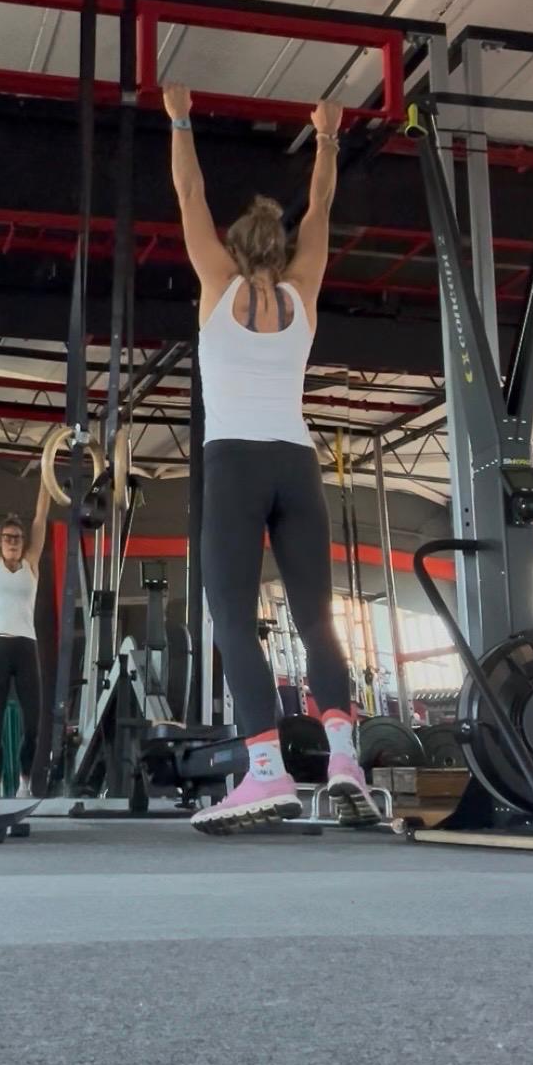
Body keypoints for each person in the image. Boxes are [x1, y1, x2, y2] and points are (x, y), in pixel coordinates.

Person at [163, 81, 379, 834]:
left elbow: (188, 190)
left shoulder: (216, 286)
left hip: (236, 465)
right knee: (316, 619)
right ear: (281, 250)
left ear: (230, 246)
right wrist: (327, 134)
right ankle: (345, 759)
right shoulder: (303, 289)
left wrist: (180, 118)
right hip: (295, 463)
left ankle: (266, 774)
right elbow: (320, 209)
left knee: (230, 615)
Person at [0, 450, 50, 798]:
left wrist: (47, 470)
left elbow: (42, 514)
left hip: (25, 645)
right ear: (0, 542)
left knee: (34, 723)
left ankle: (27, 784)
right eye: (8, 538)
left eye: (17, 538)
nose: (13, 542)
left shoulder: (32, 562)